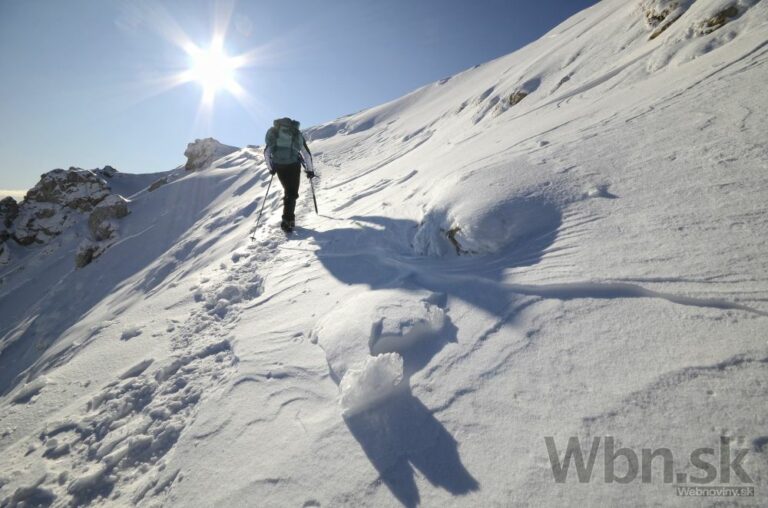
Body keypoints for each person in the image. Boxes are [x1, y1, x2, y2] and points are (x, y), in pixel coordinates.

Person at [264, 117, 315, 232]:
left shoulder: (274, 133)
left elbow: (266, 153)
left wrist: (271, 168)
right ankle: (287, 221)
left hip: (279, 166)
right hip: (293, 166)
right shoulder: (296, 133)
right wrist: (310, 170)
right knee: (292, 192)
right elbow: (306, 154)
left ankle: (289, 219)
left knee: (288, 191)